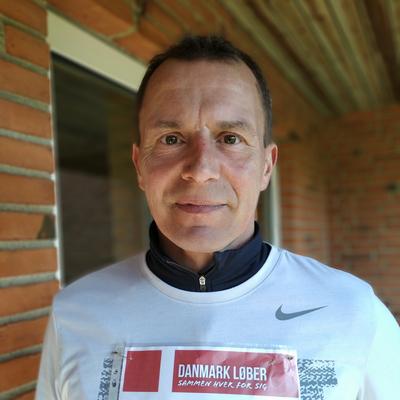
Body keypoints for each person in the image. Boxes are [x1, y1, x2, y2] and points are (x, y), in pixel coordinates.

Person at [36, 36, 400, 400]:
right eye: (171, 139)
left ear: (266, 166)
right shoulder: (75, 316)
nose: (201, 170)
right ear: (139, 166)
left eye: (230, 138)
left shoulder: (353, 312)